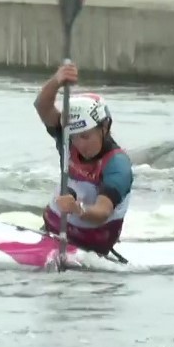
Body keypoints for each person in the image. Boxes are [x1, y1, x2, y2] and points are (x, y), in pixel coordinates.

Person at [33, 62, 134, 260]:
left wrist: (77, 209)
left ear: (104, 128)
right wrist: (57, 80)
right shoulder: (67, 140)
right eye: (74, 137)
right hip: (52, 232)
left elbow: (102, 211)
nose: (79, 144)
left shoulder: (117, 165)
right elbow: (42, 106)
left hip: (90, 248)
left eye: (86, 136)